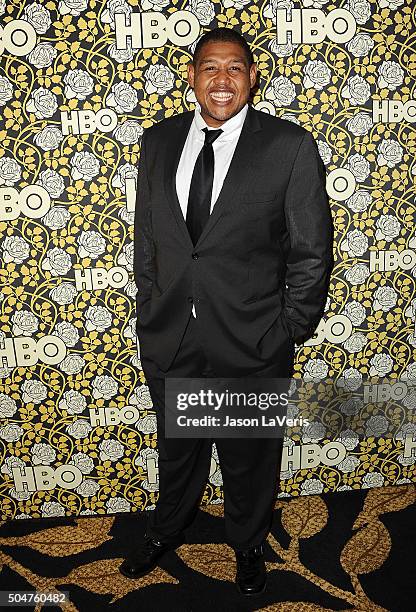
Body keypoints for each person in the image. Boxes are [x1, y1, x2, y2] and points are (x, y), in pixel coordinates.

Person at [119, 27, 334, 595]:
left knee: (248, 456)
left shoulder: (288, 146)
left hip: (252, 338)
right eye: (210, 68)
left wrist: (290, 326)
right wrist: (150, 303)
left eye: (234, 68)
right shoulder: (157, 142)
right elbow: (150, 238)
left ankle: (247, 542)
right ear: (192, 77)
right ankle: (169, 529)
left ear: (252, 77)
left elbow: (311, 249)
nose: (222, 79)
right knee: (179, 448)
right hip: (173, 334)